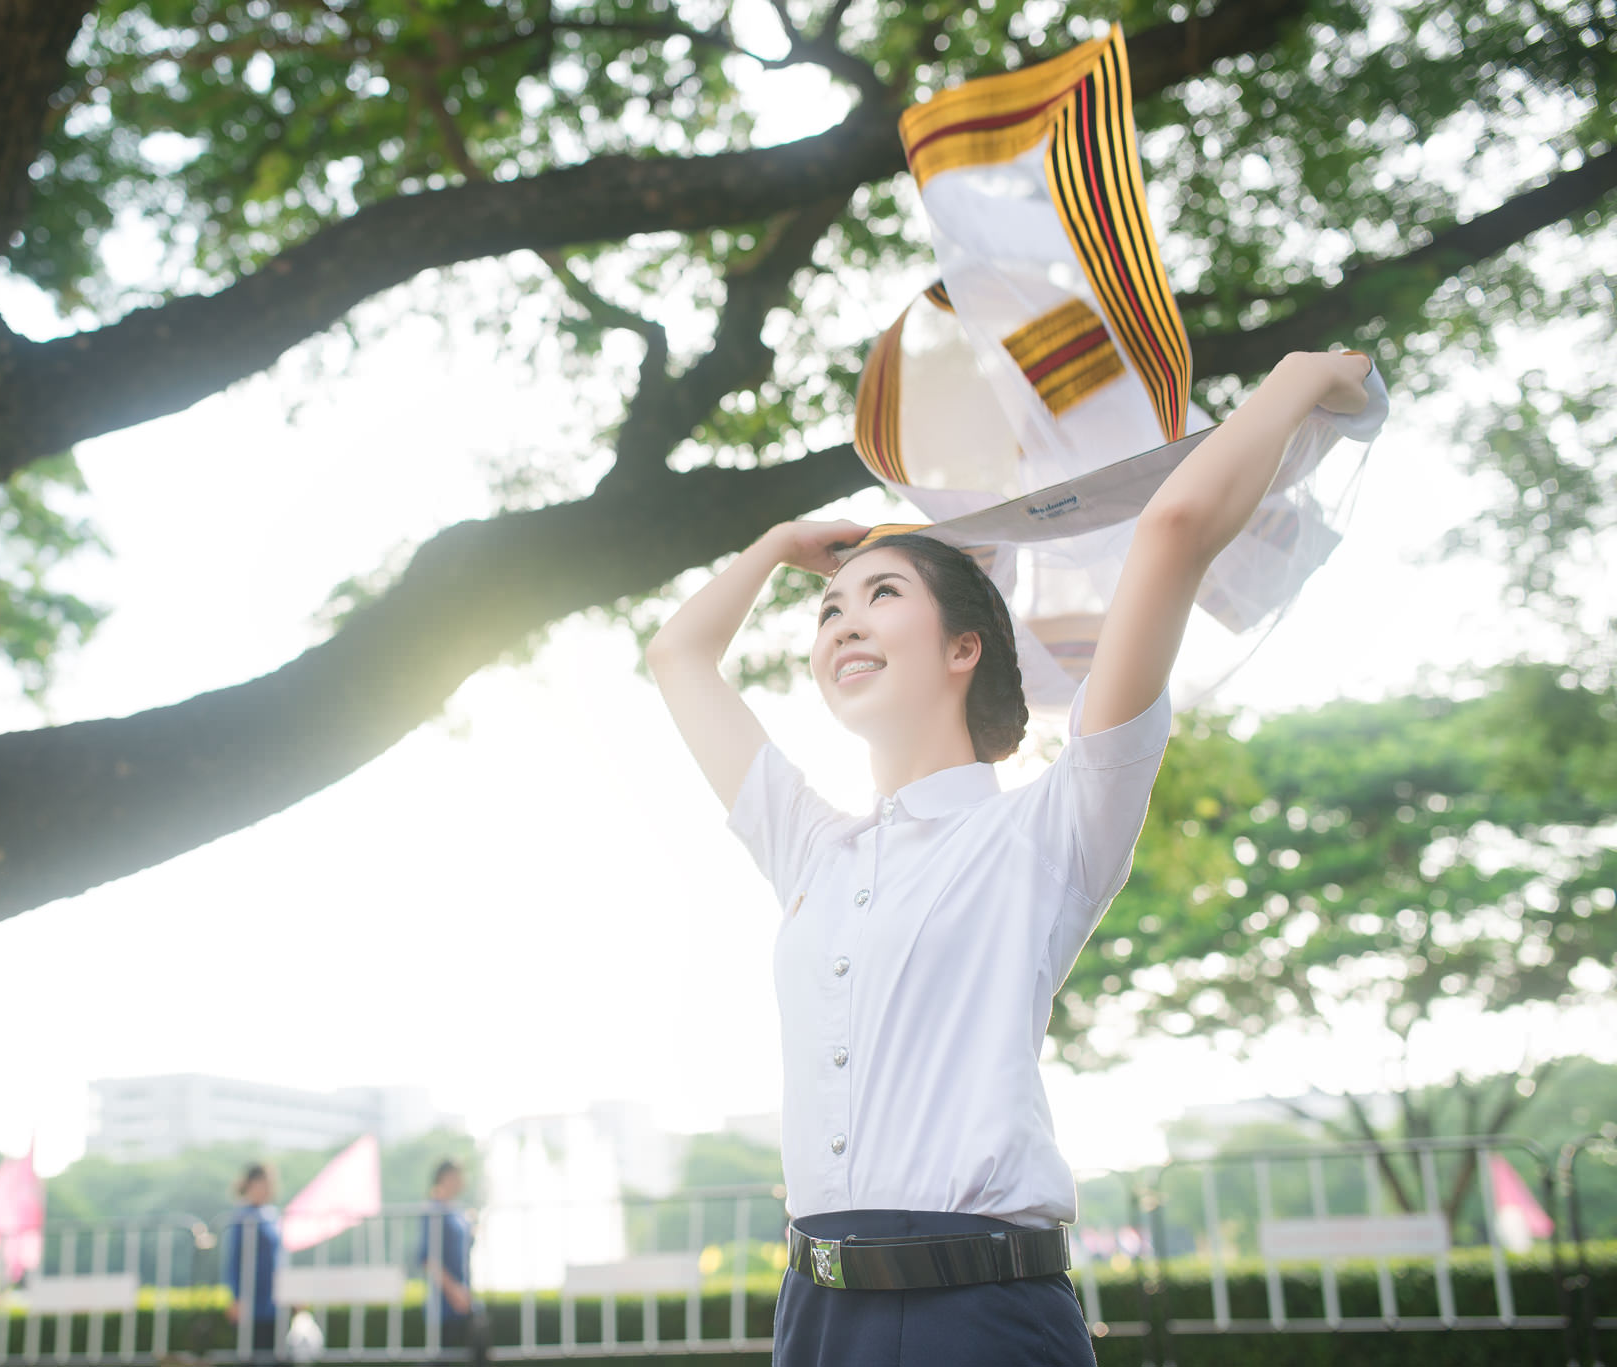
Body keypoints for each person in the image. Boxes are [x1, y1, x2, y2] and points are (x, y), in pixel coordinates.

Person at [645, 351, 1377, 1365]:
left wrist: (1295, 376)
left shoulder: (1051, 825)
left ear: (963, 647)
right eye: (829, 608)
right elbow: (676, 655)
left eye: (882, 593)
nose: (842, 619)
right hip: (813, 1316)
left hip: (979, 1313)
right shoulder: (806, 843)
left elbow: (1168, 532)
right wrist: (776, 545)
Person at [416, 1158, 483, 1361]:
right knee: (442, 1357)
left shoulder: (456, 1211)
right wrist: (454, 1291)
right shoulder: (434, 1210)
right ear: (446, 1178)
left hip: (462, 1293)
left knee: (473, 1350)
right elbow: (428, 1258)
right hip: (446, 1298)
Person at [218, 1162, 283, 1352]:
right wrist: (236, 1297)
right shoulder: (242, 1217)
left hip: (274, 1301)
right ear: (250, 1185)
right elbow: (233, 1260)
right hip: (252, 1302)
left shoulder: (271, 1215)